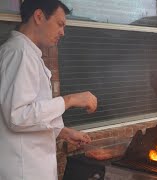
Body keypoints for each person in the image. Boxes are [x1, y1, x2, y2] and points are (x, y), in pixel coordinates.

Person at [0, 0, 97, 180]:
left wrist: (62, 132)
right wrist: (70, 100)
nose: (62, 32)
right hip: (24, 171)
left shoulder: (26, 53)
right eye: (60, 24)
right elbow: (17, 116)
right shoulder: (19, 54)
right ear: (39, 16)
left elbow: (31, 115)